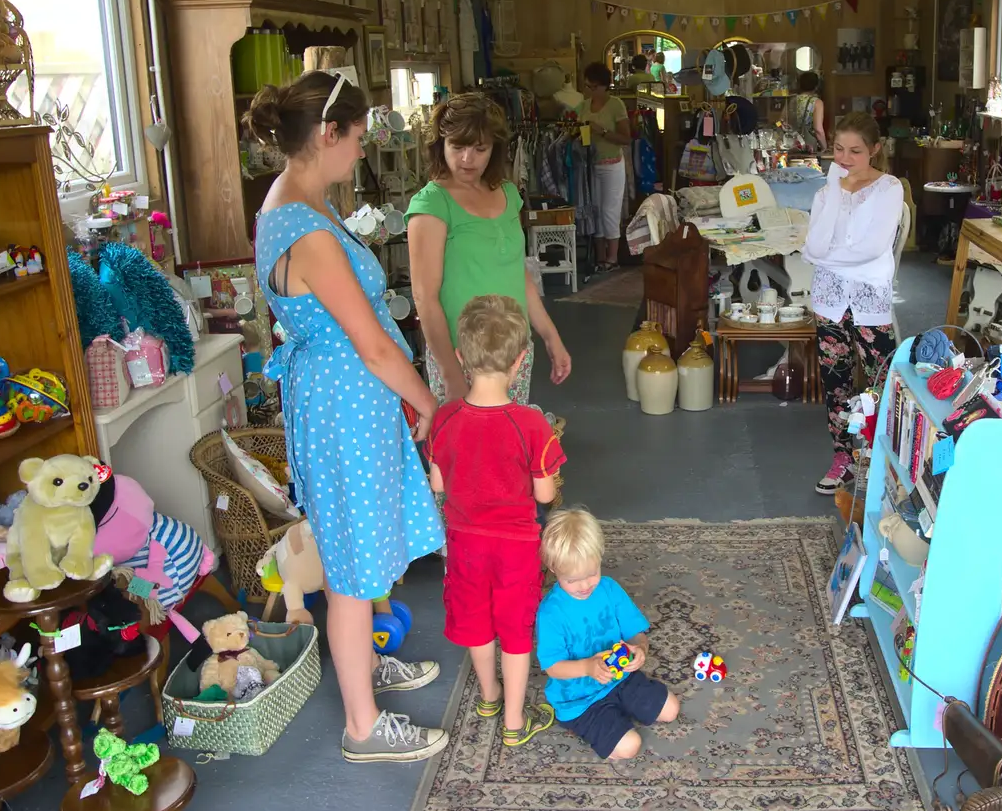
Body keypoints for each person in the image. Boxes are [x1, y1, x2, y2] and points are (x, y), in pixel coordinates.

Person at [248, 70, 447, 763]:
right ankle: (363, 726)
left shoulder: (297, 204)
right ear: (327, 135)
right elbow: (371, 343)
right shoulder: (308, 230)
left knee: (354, 551)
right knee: (353, 561)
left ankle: (361, 659)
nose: (362, 152)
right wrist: (433, 406)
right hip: (344, 403)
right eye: (358, 139)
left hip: (340, 399)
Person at [428, 295, 563, 747]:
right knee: (515, 630)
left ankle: (488, 695)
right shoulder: (532, 425)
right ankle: (512, 722)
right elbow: (545, 494)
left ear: (462, 358)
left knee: (476, 621)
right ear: (521, 361)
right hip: (516, 547)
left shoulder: (444, 419)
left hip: (464, 542)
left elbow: (438, 484)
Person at [408, 92, 572, 406]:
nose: (467, 159)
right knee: (465, 451)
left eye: (479, 149)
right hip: (460, 355)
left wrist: (550, 336)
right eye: (457, 146)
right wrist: (450, 373)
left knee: (508, 446)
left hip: (513, 354)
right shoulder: (432, 204)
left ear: (494, 148)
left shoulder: (509, 195)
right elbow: (424, 298)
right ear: (440, 145)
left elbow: (518, 273)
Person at [802, 113, 905, 495]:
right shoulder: (826, 190)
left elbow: (873, 248)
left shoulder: (889, 188)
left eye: (855, 151)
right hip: (829, 300)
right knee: (836, 382)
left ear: (875, 150)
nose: (844, 158)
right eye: (839, 149)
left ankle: (883, 457)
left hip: (869, 301)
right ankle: (843, 457)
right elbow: (813, 245)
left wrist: (824, 257)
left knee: (881, 379)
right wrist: (834, 187)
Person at [536, 508, 680, 760]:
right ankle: (603, 721)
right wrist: (587, 668)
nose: (584, 586)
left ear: (600, 557)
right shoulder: (551, 613)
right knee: (629, 746)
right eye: (572, 579)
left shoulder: (609, 589)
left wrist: (640, 651)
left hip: (621, 677)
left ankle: (619, 712)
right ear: (552, 567)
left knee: (671, 709)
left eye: (591, 574)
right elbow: (553, 667)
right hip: (580, 699)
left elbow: (636, 634)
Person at [577, 63, 632, 275]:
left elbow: (626, 138)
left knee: (610, 211)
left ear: (603, 86)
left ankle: (613, 257)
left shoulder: (616, 105)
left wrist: (602, 131)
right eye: (587, 86)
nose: (588, 90)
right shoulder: (584, 106)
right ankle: (600, 257)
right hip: (590, 163)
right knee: (595, 210)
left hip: (611, 164)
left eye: (592, 86)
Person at [788, 70, 828, 152]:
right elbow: (818, 129)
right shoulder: (817, 102)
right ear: (816, 86)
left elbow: (781, 121)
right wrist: (824, 147)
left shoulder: (792, 100)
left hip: (792, 145)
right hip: (809, 147)